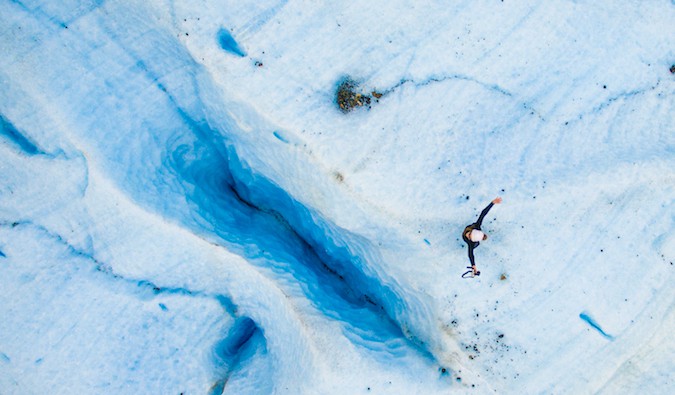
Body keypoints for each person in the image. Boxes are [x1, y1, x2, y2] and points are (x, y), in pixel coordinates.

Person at [463, 197, 502, 276]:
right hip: (475, 232)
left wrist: (473, 266)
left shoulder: (471, 243)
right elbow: (483, 213)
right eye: (470, 233)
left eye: (470, 237)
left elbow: (470, 254)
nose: (467, 235)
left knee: (474, 246)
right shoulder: (476, 226)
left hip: (475, 243)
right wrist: (492, 203)